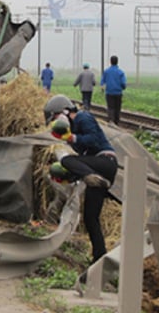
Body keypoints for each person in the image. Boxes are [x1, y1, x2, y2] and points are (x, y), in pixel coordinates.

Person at [44, 94, 118, 263]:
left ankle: (88, 177)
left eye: (55, 118)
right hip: (98, 173)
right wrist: (67, 177)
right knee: (91, 218)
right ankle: (99, 258)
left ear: (65, 111)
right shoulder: (74, 129)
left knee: (67, 159)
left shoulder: (83, 117)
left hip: (105, 161)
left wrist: (72, 138)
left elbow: (92, 140)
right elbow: (83, 158)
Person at [100, 55, 126, 125]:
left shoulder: (106, 71)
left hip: (109, 92)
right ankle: (116, 122)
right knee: (117, 108)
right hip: (118, 93)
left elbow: (102, 81)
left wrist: (102, 88)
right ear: (117, 62)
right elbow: (123, 83)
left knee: (110, 107)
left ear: (110, 62)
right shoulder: (120, 72)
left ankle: (111, 120)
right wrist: (123, 87)